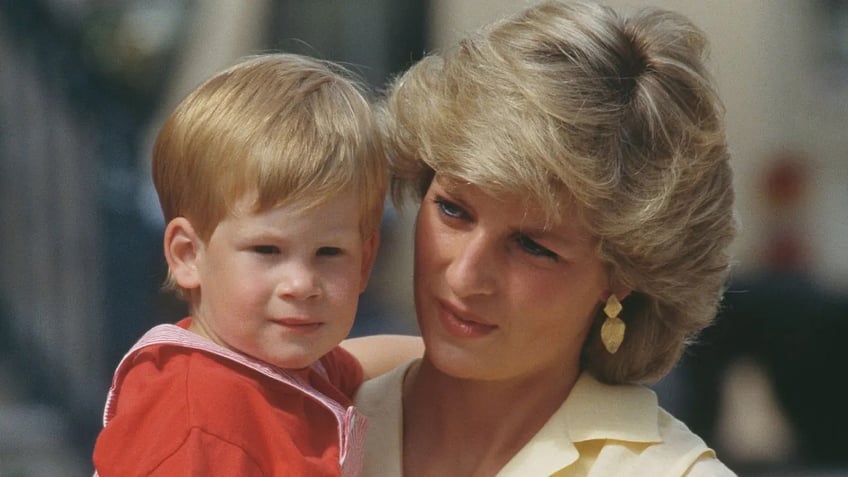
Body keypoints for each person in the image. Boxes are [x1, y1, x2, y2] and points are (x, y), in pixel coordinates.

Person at [353, 1, 738, 475]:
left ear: (624, 275)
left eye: (533, 246)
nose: (464, 273)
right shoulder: (305, 405)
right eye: (453, 210)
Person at [92, 53, 418, 477]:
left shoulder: (282, 365)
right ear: (188, 255)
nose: (301, 284)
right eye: (267, 250)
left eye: (329, 253)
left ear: (365, 260)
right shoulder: (198, 422)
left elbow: (366, 360)